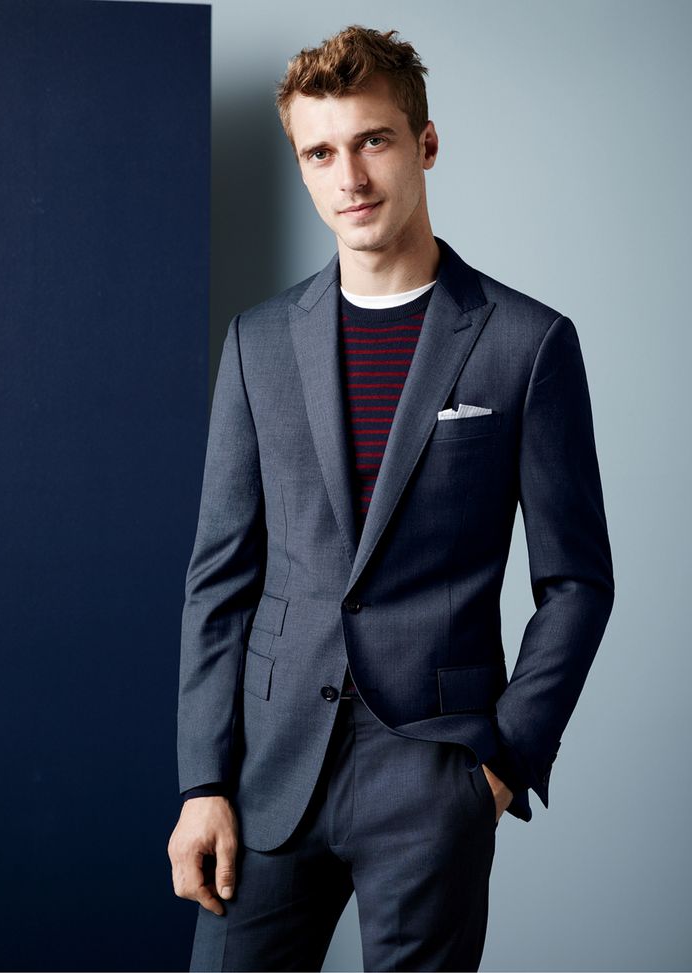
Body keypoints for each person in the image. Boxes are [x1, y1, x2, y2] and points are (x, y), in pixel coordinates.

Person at [167, 24, 614, 973]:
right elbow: (220, 578)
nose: (350, 177)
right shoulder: (257, 344)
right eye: (320, 153)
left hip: (433, 773)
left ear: (426, 143)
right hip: (270, 773)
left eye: (373, 140)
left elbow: (577, 581)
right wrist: (202, 779)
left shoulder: (526, 342)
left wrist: (504, 761)